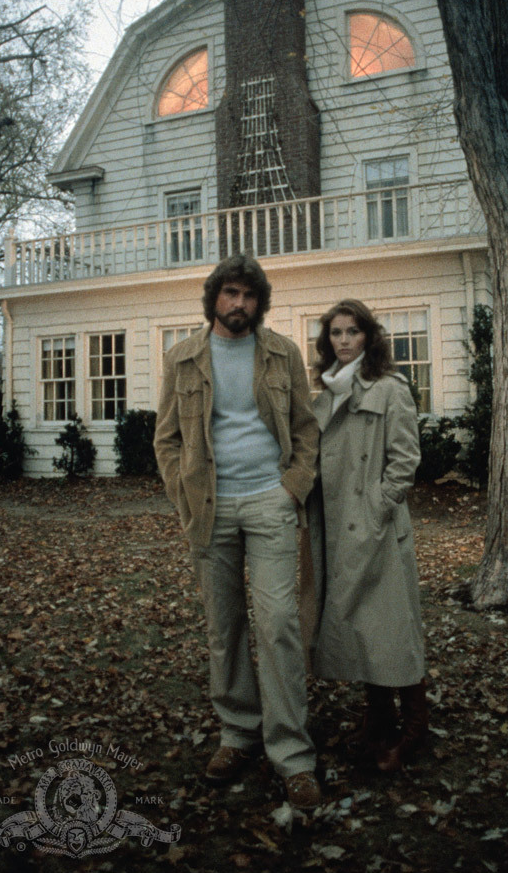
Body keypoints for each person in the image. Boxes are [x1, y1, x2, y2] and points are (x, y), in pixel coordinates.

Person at [154, 254, 322, 809]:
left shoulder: (282, 354)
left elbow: (304, 427)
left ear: (259, 302)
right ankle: (237, 733)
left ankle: (292, 753)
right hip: (210, 509)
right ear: (214, 299)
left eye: (248, 296)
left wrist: (292, 487)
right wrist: (184, 495)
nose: (239, 304)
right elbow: (167, 439)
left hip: (270, 503)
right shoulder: (182, 359)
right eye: (230, 294)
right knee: (224, 627)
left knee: (277, 623)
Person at [306, 299, 427, 773]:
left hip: (375, 528)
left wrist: (378, 507)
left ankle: (415, 726)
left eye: (352, 332)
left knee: (394, 629)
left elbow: (405, 460)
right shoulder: (326, 394)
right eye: (335, 333)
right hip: (338, 527)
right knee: (362, 627)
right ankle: (377, 718)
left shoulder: (390, 388)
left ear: (368, 337)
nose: (343, 341)